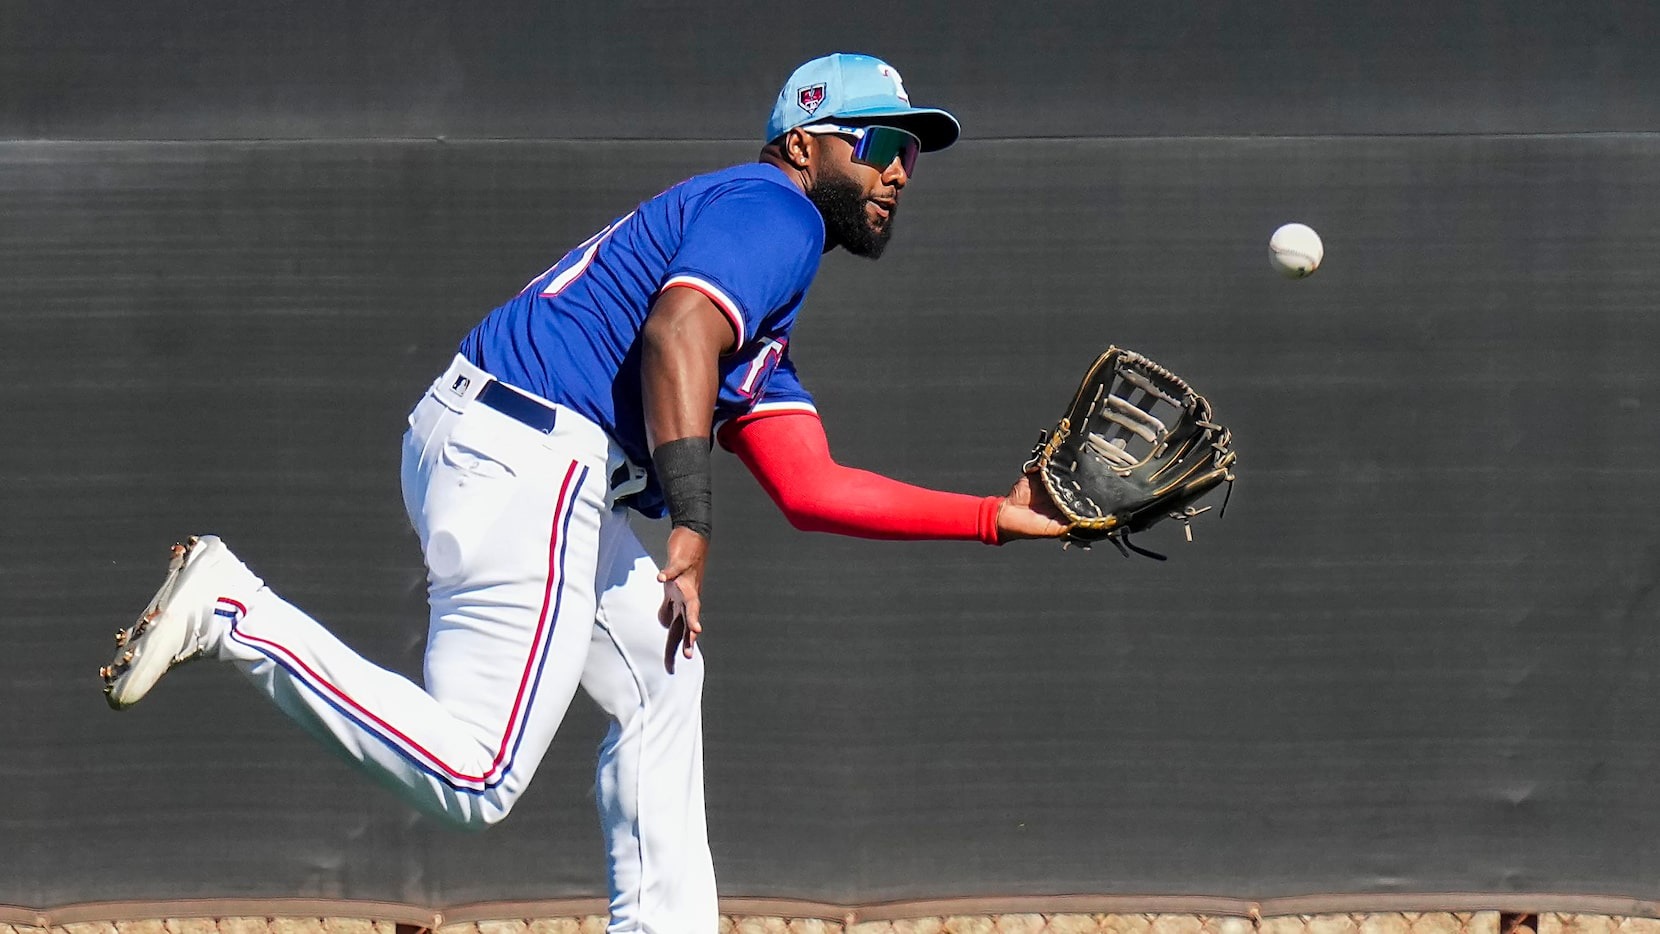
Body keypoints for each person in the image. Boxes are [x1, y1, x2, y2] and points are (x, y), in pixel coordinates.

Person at [100, 53, 1067, 932]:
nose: (902, 168)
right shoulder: (778, 210)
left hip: (492, 437)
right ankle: (235, 610)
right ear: (807, 144)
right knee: (476, 774)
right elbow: (678, 334)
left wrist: (994, 516)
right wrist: (691, 526)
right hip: (535, 456)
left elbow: (813, 487)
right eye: (885, 143)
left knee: (662, 665)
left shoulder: (755, 290)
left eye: (915, 151)